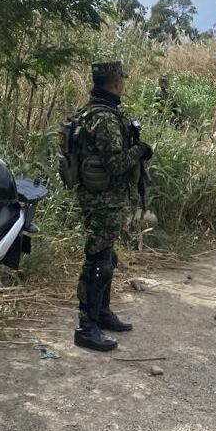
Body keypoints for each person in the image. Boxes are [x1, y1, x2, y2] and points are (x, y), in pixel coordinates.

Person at [72, 60, 153, 352]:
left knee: (107, 258)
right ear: (116, 83)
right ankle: (86, 326)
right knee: (97, 263)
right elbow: (116, 164)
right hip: (102, 200)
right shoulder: (104, 119)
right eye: (122, 81)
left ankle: (101, 314)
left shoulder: (89, 112)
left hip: (101, 198)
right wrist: (141, 150)